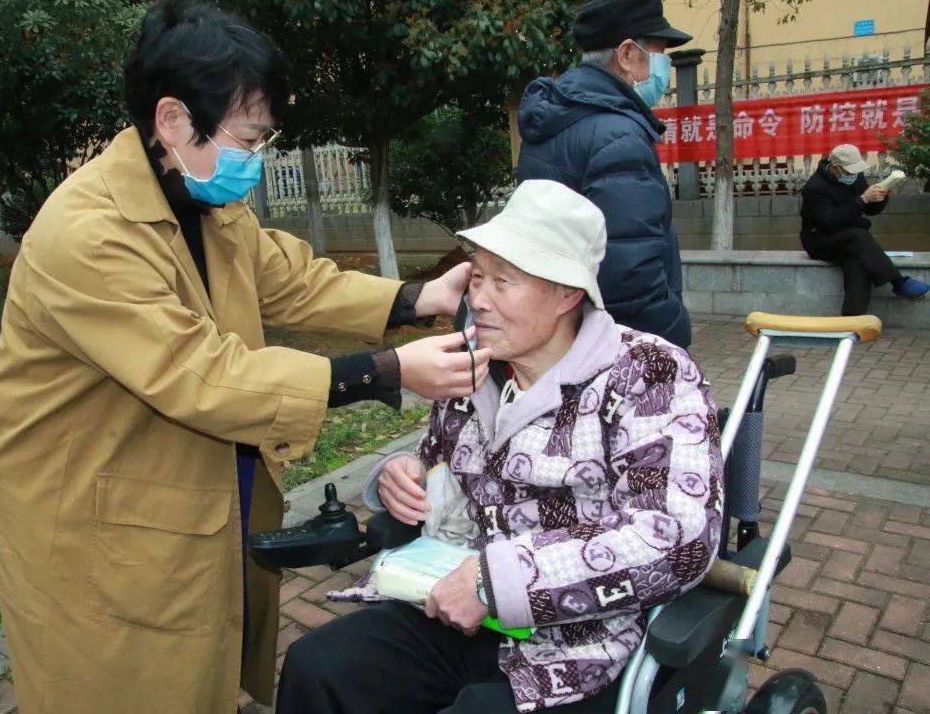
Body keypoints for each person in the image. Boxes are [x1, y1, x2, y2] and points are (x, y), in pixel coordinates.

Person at [0, 1, 490, 714]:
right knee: (117, 687)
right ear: (172, 120)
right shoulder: (87, 235)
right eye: (250, 136)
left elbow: (290, 278)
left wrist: (417, 297)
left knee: (193, 671)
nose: (259, 156)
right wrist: (386, 372)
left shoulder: (201, 198)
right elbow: (202, 375)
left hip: (171, 486)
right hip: (90, 512)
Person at [276, 180, 723, 714]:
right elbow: (435, 454)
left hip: (575, 643)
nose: (478, 301)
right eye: (478, 278)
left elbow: (679, 538)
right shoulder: (474, 365)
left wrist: (497, 583)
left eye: (503, 282)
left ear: (567, 293)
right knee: (317, 668)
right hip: (452, 607)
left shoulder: (648, 374)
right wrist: (403, 472)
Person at [516, 0, 693, 348]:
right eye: (658, 55)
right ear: (627, 54)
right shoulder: (618, 135)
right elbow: (630, 274)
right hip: (615, 342)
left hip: (562, 331)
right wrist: (674, 332)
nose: (662, 69)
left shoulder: (558, 116)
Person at [800, 143, 929, 315]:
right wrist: (861, 200)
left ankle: (852, 320)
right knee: (857, 235)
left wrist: (881, 197)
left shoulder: (856, 177)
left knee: (857, 263)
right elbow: (829, 222)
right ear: (835, 168)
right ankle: (898, 282)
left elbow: (869, 209)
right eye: (849, 171)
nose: (853, 175)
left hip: (850, 241)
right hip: (820, 241)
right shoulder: (814, 187)